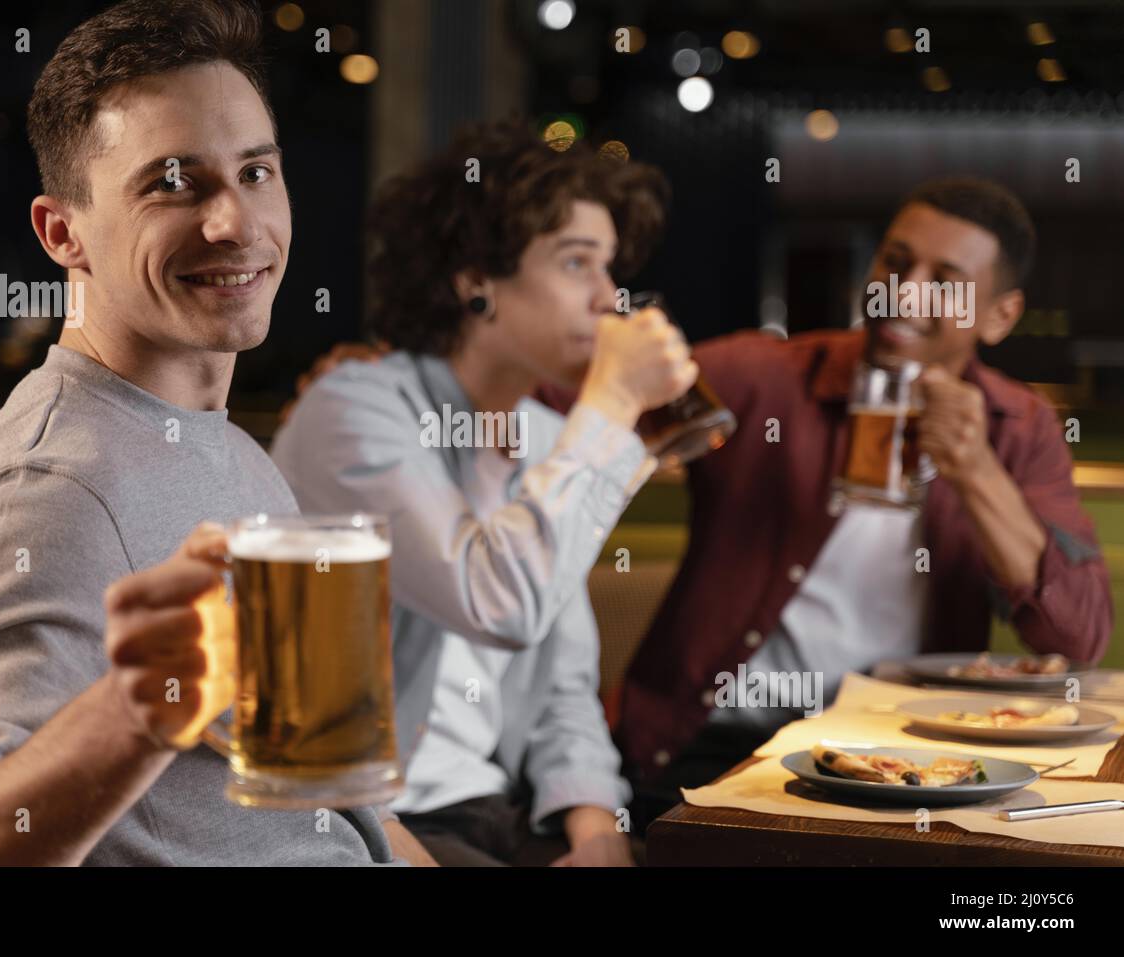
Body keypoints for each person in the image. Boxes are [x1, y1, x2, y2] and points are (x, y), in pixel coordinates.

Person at [0, 0, 432, 867]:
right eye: (173, 182)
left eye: (256, 173)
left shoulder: (234, 454)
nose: (236, 223)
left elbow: (355, 815)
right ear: (62, 232)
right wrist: (132, 721)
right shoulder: (50, 489)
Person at [618, 177, 1113, 822]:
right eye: (896, 262)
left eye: (945, 280)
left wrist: (974, 469)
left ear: (999, 316)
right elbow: (573, 403)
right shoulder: (765, 377)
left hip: (905, 767)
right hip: (710, 751)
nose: (903, 293)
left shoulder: (1018, 426)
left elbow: (1077, 634)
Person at [271, 121, 697, 866]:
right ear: (476, 284)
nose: (609, 298)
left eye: (610, 268)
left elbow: (565, 682)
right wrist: (612, 406)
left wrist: (598, 828)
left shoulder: (542, 437)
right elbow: (497, 597)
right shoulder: (355, 410)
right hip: (370, 818)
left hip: (497, 810)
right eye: (576, 263)